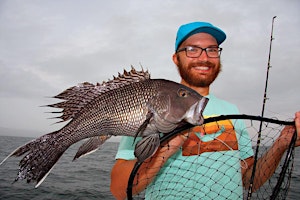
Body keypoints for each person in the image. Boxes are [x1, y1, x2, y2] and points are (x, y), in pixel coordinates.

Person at [110, 21, 300, 199]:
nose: (204, 57)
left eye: (212, 49)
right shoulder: (149, 109)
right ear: (176, 58)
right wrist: (168, 148)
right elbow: (119, 190)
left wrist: (282, 143)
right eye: (192, 49)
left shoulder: (231, 110)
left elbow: (251, 180)